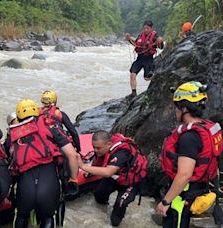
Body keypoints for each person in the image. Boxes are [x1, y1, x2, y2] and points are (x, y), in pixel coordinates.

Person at [157, 81, 223, 227]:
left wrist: (165, 201)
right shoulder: (207, 127)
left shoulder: (189, 137)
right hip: (201, 189)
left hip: (184, 196)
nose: (176, 111)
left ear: (184, 108)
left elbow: (184, 175)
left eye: (177, 107)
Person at [7, 99, 80, 228]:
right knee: (48, 218)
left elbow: (9, 162)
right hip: (49, 185)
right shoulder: (50, 128)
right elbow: (72, 155)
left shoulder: (13, 136)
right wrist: (73, 179)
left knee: (21, 216)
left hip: (25, 187)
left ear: (18, 117)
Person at [77, 131, 148, 226]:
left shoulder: (121, 153)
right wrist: (90, 172)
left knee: (118, 212)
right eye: (94, 147)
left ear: (109, 144)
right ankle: (103, 211)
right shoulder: (105, 149)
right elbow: (98, 160)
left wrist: (83, 166)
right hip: (116, 177)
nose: (96, 150)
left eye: (98, 148)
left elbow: (108, 172)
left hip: (130, 182)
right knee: (99, 196)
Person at [125, 20, 164, 97]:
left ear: (151, 28)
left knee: (147, 78)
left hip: (148, 59)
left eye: (147, 28)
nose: (145, 30)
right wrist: (129, 39)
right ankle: (133, 93)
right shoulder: (140, 36)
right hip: (139, 59)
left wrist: (161, 41)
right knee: (132, 74)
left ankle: (157, 83)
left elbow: (161, 46)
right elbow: (135, 44)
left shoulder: (155, 36)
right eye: (144, 28)